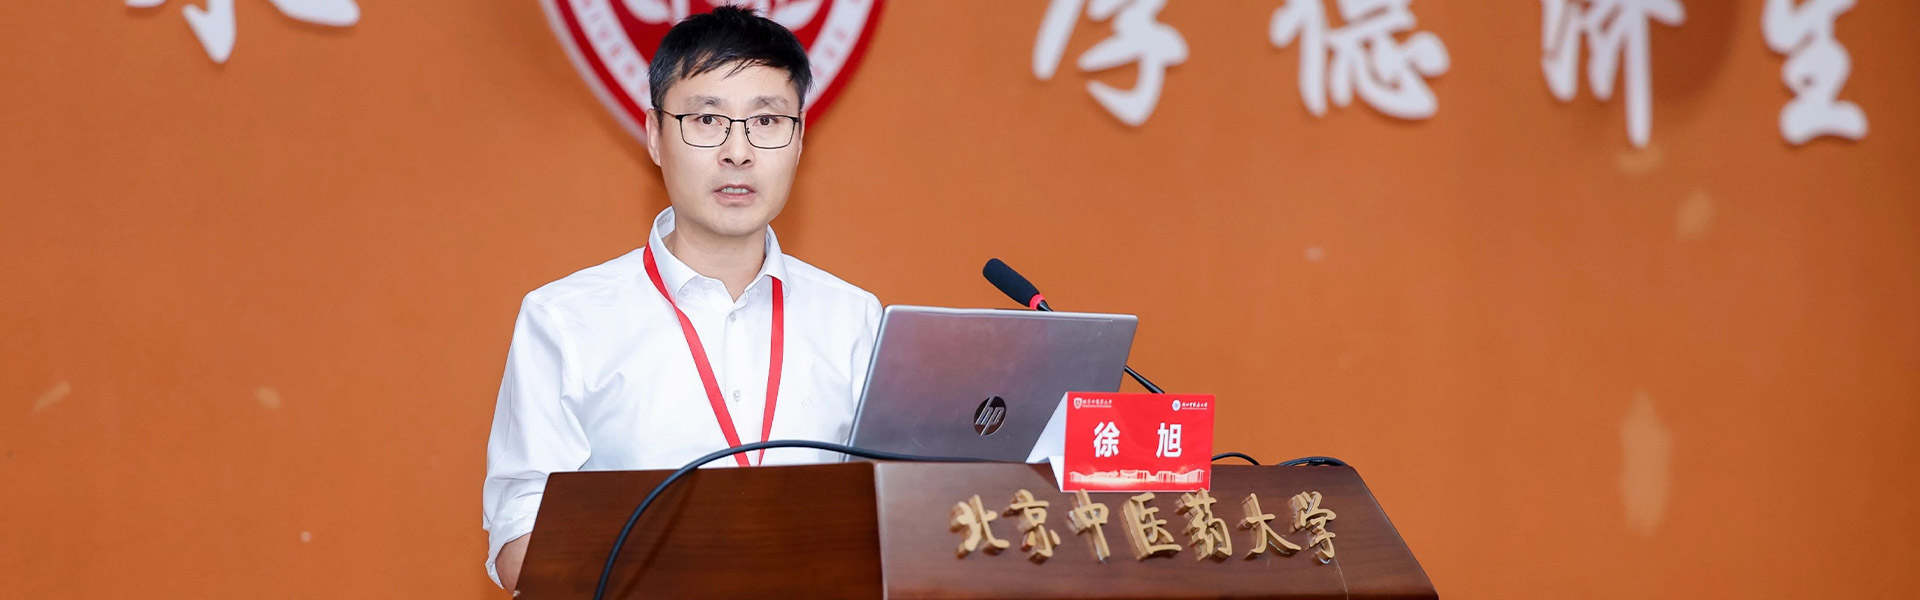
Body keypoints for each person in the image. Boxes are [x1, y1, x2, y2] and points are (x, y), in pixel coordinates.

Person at [479, 6, 880, 591]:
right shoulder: (565, 319)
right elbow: (520, 544)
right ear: (655, 135)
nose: (738, 151)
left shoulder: (855, 319)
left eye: (767, 121)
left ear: (799, 140)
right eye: (707, 119)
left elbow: (894, 519)